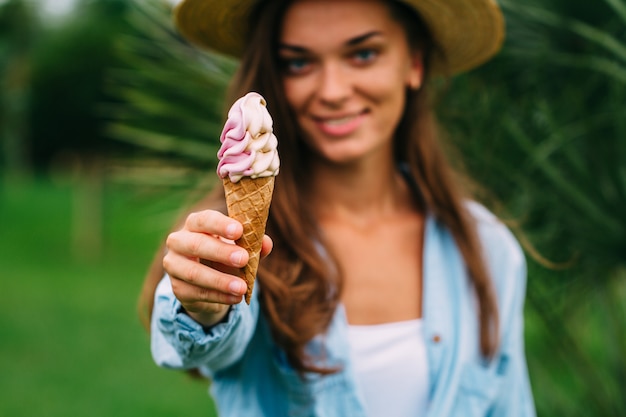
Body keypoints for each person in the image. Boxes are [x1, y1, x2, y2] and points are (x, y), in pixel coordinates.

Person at [138, 0, 536, 416]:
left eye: (363, 54)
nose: (331, 90)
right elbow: (201, 343)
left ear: (415, 63)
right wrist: (204, 304)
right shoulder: (236, 240)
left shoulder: (487, 248)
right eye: (298, 63)